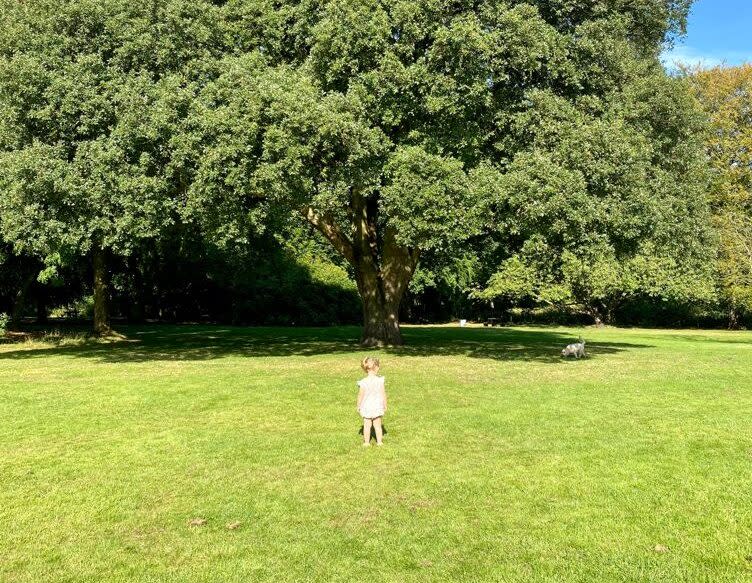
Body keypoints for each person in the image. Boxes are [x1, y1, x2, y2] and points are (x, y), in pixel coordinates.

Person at [356, 356, 387, 447]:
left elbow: (360, 395)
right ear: (376, 368)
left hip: (367, 406)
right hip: (377, 405)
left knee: (367, 426)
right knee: (378, 425)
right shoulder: (379, 381)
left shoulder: (363, 382)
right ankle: (379, 442)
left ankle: (366, 442)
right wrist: (385, 404)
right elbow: (383, 393)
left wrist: (358, 405)